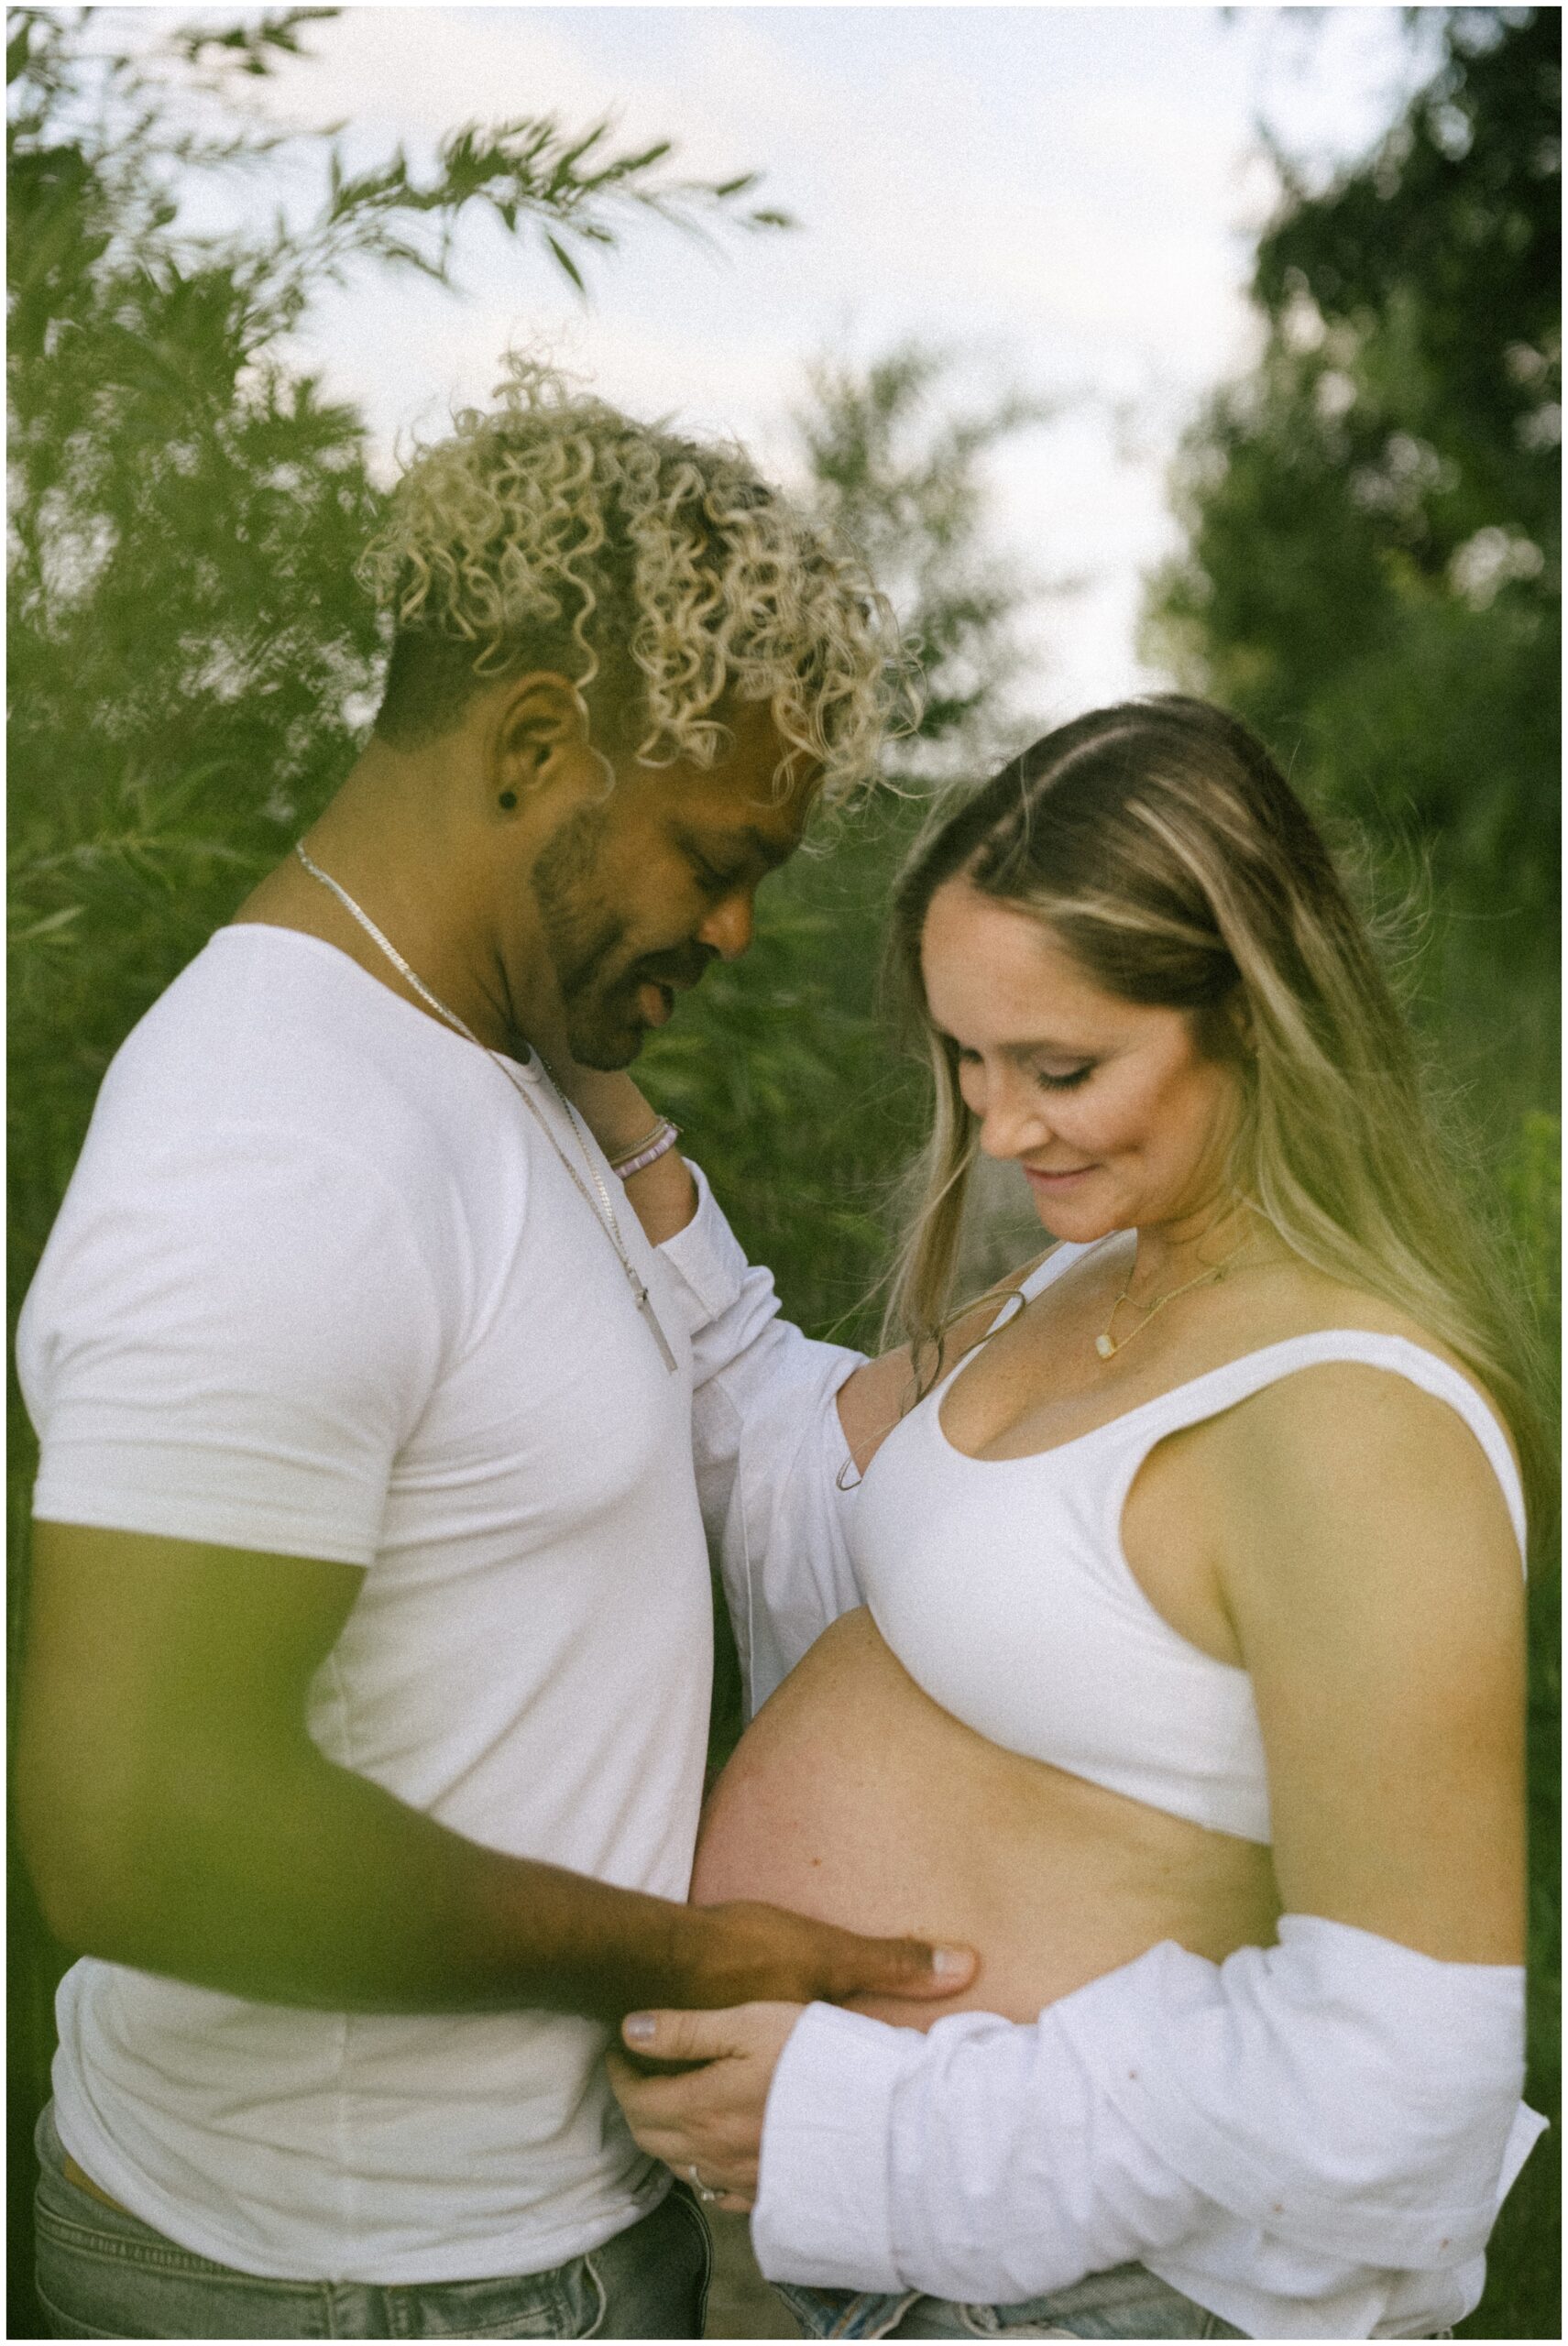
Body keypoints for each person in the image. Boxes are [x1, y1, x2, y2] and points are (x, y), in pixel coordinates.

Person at [13, 356, 979, 2342]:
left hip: (495, 2254)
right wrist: (696, 1944)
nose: (728, 933)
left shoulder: (481, 1051)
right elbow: (132, 1823)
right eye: (716, 857)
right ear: (538, 745)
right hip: (346, 2287)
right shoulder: (279, 1139)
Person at [591, 698, 1548, 2340]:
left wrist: (853, 2128)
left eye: (1063, 1067)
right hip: (942, 2288)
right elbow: (790, 1455)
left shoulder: (1352, 1426)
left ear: (1252, 1013)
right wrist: (605, 1114)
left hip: (1106, 2304)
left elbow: (1406, 2090)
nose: (998, 1125)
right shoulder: (1090, 1272)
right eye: (966, 1057)